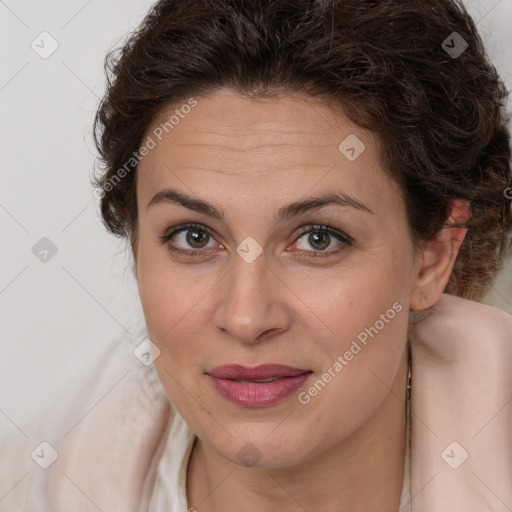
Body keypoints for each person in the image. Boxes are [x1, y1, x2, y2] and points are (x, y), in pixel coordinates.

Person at [2, 0, 511, 511]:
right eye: (194, 237)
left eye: (318, 239)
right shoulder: (27, 486)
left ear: (433, 256)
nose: (246, 318)